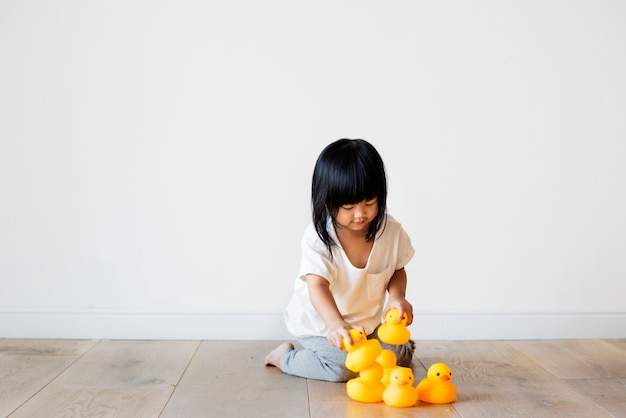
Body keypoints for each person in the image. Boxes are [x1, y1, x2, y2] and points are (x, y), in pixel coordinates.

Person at [265, 138, 415, 382]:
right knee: (344, 368)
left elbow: (398, 269)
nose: (360, 214)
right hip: (321, 325)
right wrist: (336, 324)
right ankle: (283, 357)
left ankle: (398, 348)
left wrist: (397, 298)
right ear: (327, 200)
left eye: (369, 203)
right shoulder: (319, 239)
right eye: (348, 206)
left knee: (394, 359)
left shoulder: (392, 232)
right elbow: (317, 286)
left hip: (365, 325)